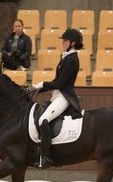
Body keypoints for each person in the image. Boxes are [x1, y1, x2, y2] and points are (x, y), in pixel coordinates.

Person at [31, 28, 83, 168]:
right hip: (57, 94)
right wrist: (39, 88)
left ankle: (47, 157)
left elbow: (60, 83)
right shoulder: (65, 56)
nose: (63, 43)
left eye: (65, 41)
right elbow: (56, 80)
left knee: (43, 120)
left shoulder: (72, 59)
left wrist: (43, 83)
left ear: (73, 43)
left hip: (64, 96)